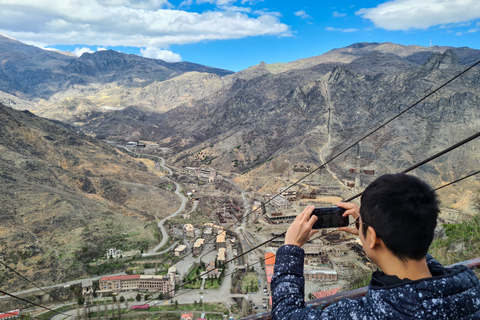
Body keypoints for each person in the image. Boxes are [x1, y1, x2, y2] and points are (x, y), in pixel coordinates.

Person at [271, 173, 480, 319]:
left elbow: (287, 315)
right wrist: (373, 233)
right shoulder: (470, 289)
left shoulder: (373, 313)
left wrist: (291, 247)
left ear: (372, 237)